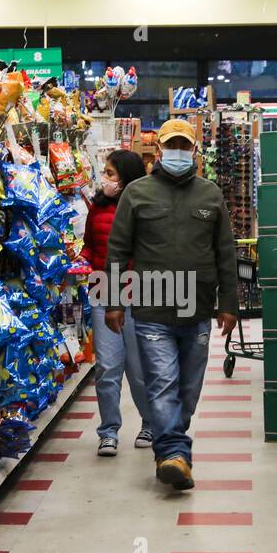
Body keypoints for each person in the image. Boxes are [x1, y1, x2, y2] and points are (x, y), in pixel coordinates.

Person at [105, 118, 239, 491]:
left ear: (194, 151)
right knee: (163, 385)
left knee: (187, 392)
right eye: (172, 146)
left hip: (197, 311)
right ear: (160, 150)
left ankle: (173, 447)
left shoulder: (210, 194)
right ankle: (173, 455)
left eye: (184, 146)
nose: (178, 152)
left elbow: (225, 252)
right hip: (151, 312)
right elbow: (118, 249)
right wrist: (113, 301)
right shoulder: (137, 194)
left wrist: (229, 302)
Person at [84, 150, 155, 457]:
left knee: (139, 369)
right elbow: (90, 245)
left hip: (137, 293)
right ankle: (108, 431)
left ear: (127, 176)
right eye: (105, 173)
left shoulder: (144, 207)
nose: (105, 179)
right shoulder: (96, 207)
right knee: (107, 367)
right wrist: (79, 263)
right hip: (103, 290)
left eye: (110, 173)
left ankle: (150, 422)